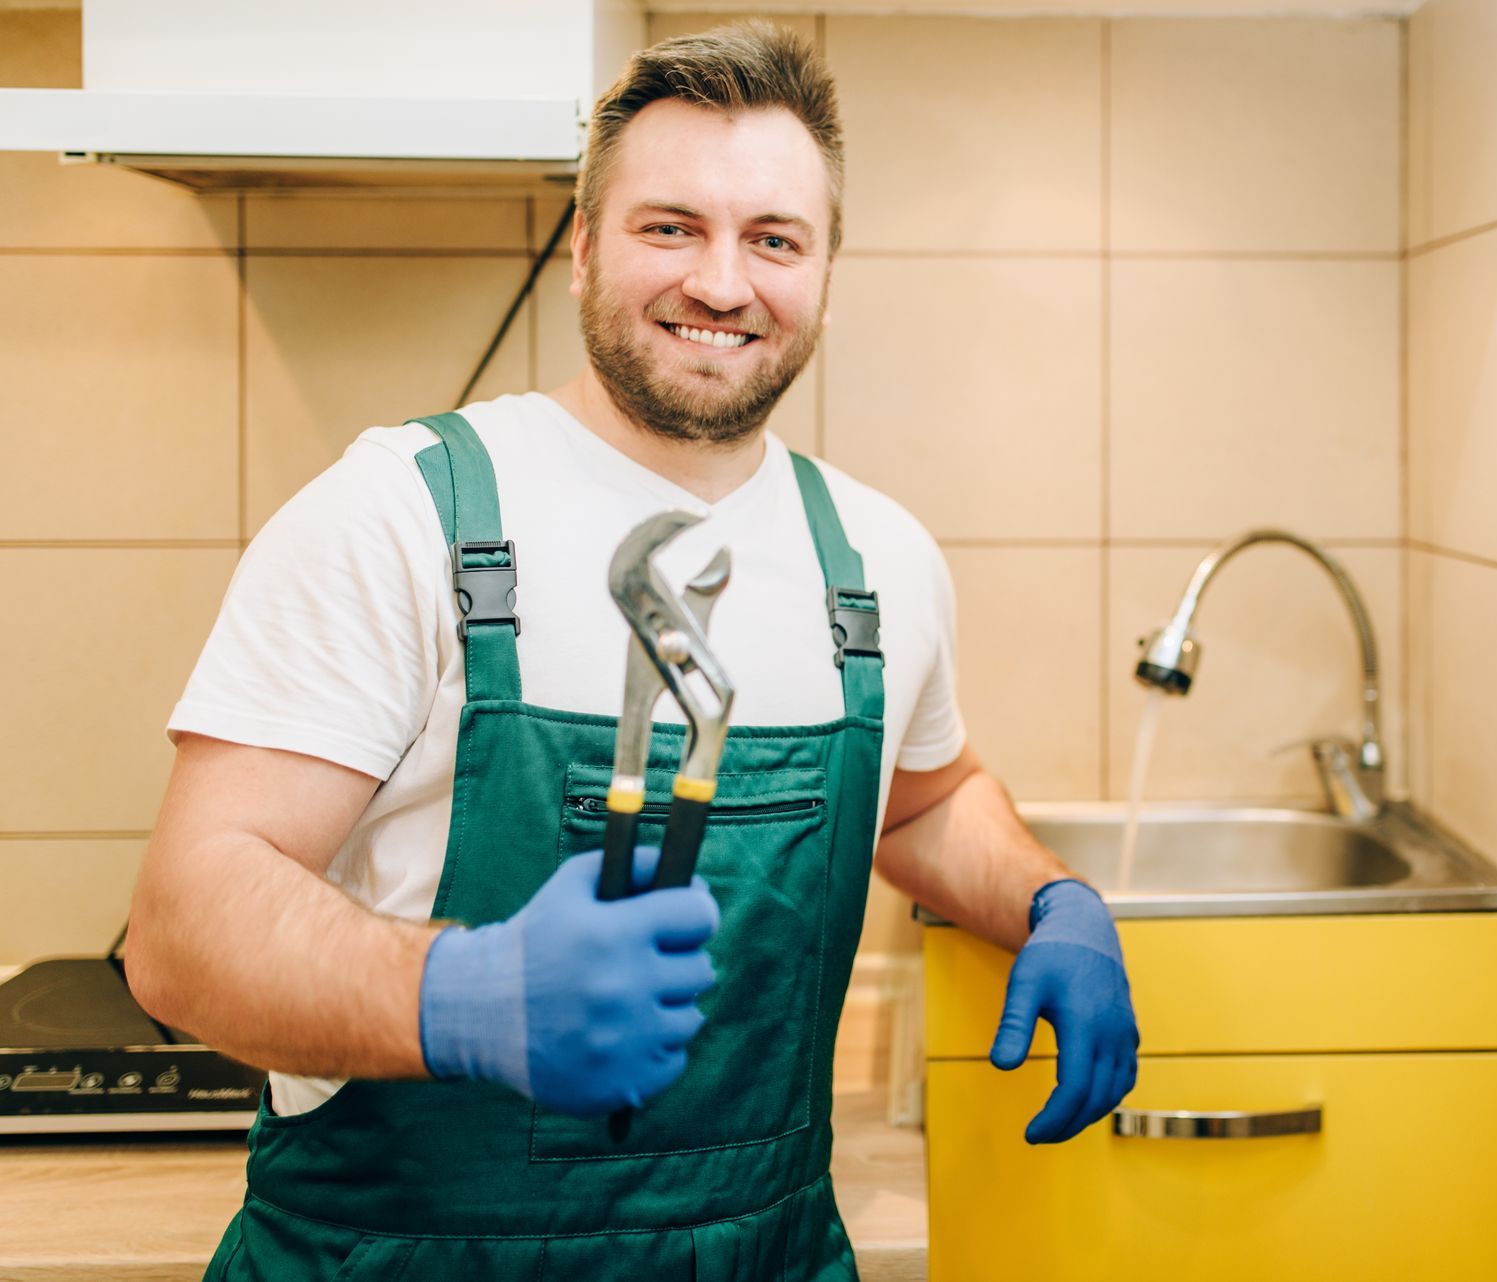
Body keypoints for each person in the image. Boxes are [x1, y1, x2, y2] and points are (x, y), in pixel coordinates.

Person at [126, 21, 1138, 1281]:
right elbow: (181, 929)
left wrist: (1056, 900)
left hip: (765, 1251)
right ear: (585, 246)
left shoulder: (874, 561)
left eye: (773, 239)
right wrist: (466, 996)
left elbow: (929, 801)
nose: (723, 283)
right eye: (672, 227)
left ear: (824, 271)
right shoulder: (400, 511)